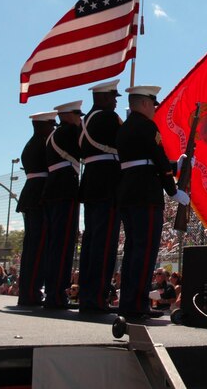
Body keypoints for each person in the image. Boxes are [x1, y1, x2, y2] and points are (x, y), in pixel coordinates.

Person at [115, 86, 188, 320]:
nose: (155, 111)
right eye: (153, 106)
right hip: (146, 193)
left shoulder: (125, 128)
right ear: (145, 104)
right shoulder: (147, 126)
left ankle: (129, 301)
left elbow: (145, 160)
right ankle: (138, 304)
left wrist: (176, 165)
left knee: (133, 251)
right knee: (145, 252)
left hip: (128, 191)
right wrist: (173, 190)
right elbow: (156, 159)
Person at [77, 80, 124, 314]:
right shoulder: (106, 118)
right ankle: (97, 296)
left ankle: (88, 294)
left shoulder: (86, 120)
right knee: (104, 244)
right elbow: (124, 143)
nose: (115, 101)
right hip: (108, 182)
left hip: (92, 182)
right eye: (113, 97)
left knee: (92, 243)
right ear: (103, 98)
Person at [40, 101, 83, 310]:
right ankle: (57, 294)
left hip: (54, 189)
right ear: (68, 115)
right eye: (77, 115)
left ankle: (53, 292)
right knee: (63, 244)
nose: (80, 118)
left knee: (56, 245)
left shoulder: (54, 135)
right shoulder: (70, 132)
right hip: (65, 190)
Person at [16, 110, 57, 307]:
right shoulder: (43, 143)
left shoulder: (30, 145)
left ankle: (28, 290)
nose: (53, 129)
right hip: (39, 193)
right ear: (42, 126)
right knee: (38, 247)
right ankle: (31, 292)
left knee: (33, 247)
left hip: (31, 193)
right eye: (51, 125)